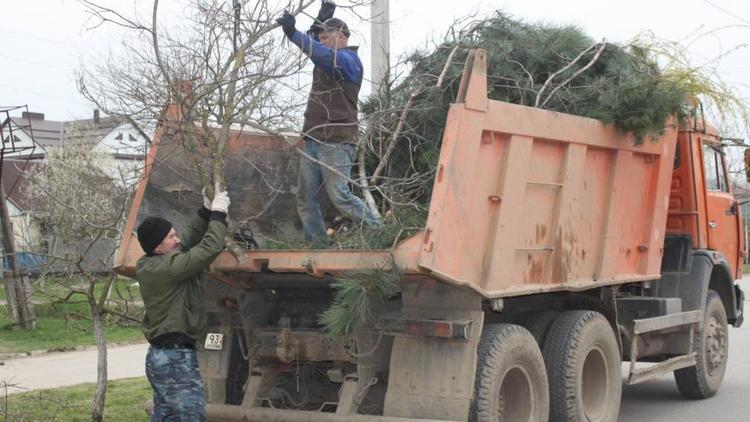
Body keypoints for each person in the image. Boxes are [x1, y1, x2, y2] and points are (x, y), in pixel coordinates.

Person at [277, 1, 381, 248]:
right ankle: (318, 248)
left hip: (337, 142)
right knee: (305, 199)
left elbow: (320, 53)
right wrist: (324, 15)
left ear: (342, 37)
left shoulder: (349, 61)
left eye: (327, 37)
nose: (321, 41)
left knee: (340, 196)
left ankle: (380, 233)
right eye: (320, 37)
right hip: (313, 139)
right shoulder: (325, 52)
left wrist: (293, 34)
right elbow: (315, 43)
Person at [135, 183, 230, 421]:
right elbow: (208, 248)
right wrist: (219, 215)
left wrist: (205, 212)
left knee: (165, 417)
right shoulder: (169, 267)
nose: (177, 239)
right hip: (176, 360)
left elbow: (187, 241)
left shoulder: (151, 263)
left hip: (161, 358)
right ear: (158, 247)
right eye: (171, 237)